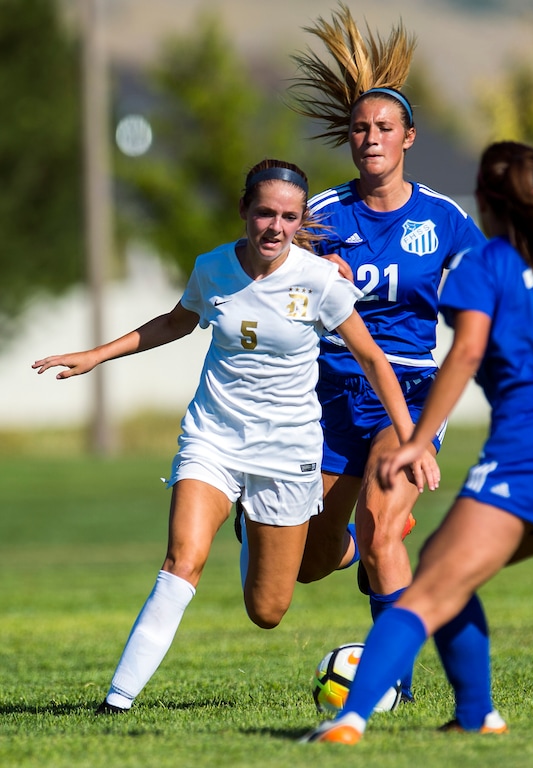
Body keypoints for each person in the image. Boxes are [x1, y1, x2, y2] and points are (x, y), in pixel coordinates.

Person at [32, 158, 439, 715]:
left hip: (289, 450)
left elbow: (372, 358)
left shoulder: (320, 281)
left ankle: (343, 549)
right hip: (214, 437)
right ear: (244, 211)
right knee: (183, 559)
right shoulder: (214, 268)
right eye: (265, 212)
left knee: (268, 610)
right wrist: (96, 355)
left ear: (300, 223)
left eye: (289, 217)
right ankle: (116, 703)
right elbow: (177, 320)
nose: (275, 226)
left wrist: (414, 441)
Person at [299, 140, 533, 743]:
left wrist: (416, 438)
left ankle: (351, 718)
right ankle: (477, 716)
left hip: (531, 457)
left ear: (482, 197)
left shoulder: (487, 264)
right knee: (450, 575)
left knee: (428, 584)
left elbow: (468, 350)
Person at [288, 3, 486, 703]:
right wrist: (315, 280)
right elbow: (265, 279)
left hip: (405, 393)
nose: (369, 137)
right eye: (359, 129)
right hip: (329, 394)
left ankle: (388, 686)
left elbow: (481, 313)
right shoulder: (321, 219)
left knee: (382, 530)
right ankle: (348, 554)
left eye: (383, 128)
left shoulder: (444, 219)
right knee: (308, 565)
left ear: (408, 137)